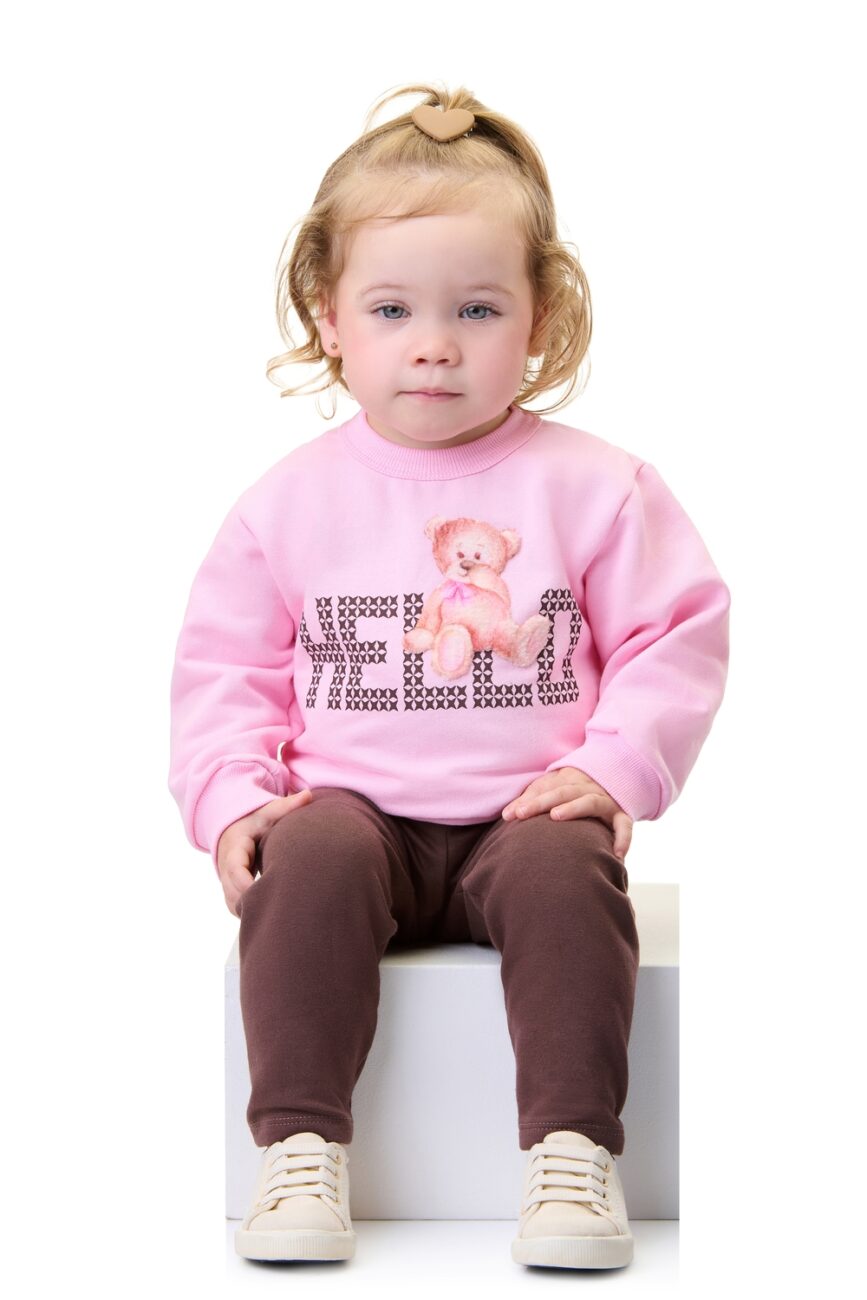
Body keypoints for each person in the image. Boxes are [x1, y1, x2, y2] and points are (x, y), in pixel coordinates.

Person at [168, 81, 730, 1271]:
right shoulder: (288, 504)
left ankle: (573, 1150)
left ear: (541, 321)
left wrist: (614, 768)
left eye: (478, 308)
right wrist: (232, 799)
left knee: (572, 884)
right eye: (392, 309)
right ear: (330, 317)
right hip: (352, 811)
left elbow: (676, 632)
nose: (434, 343)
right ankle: (299, 1146)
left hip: (524, 815)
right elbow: (225, 668)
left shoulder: (597, 488)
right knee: (306, 864)